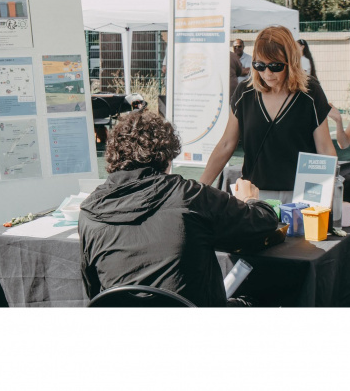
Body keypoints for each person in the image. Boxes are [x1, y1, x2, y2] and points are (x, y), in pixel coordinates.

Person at [79, 110, 279, 307]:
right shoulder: (189, 195)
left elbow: (93, 290)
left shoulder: (90, 211)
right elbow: (264, 223)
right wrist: (250, 199)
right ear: (167, 157)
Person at [200, 25, 336, 203]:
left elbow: (325, 149)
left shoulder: (310, 93)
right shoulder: (245, 93)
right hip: (254, 195)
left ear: (291, 62)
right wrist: (199, 189)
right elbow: (226, 144)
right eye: (259, 65)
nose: (267, 73)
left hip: (301, 196)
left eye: (275, 66)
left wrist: (334, 197)